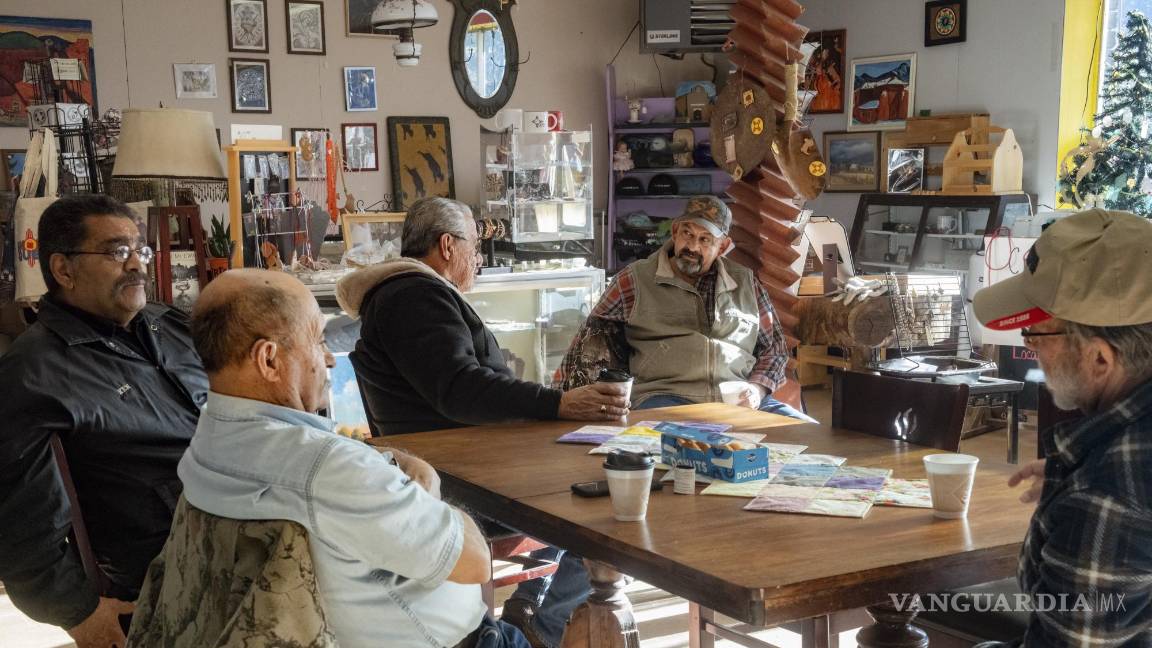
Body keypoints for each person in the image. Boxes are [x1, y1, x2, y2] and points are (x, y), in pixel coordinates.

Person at [177, 268, 529, 647]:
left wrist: (382, 462)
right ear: (269, 360)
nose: (328, 359)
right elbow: (475, 561)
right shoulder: (326, 469)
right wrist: (425, 482)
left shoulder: (207, 442)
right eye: (316, 340)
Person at [335, 197, 626, 647]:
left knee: (583, 482)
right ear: (447, 246)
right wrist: (558, 403)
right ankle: (542, 629)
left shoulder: (408, 294)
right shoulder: (415, 296)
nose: (480, 258)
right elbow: (462, 391)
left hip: (464, 464)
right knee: (600, 503)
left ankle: (528, 610)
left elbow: (457, 384)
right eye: (474, 247)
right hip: (463, 481)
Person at [0, 194, 209, 648]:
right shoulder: (33, 375)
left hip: (241, 518)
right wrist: (76, 612)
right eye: (118, 251)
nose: (137, 264)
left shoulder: (170, 325)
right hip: (167, 569)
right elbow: (18, 522)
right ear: (63, 270)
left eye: (141, 250)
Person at [972, 208, 1152, 646]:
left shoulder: (1107, 498)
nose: (1030, 350)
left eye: (1036, 336)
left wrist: (1086, 492)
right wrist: (1074, 474)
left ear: (1099, 358)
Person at [556, 195, 814, 422]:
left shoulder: (746, 283)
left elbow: (776, 350)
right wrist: (565, 402)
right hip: (663, 399)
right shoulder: (634, 280)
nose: (692, 247)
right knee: (683, 448)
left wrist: (757, 391)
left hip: (738, 402)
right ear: (675, 231)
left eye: (705, 240)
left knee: (805, 433)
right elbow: (588, 342)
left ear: (722, 247)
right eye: (687, 234)